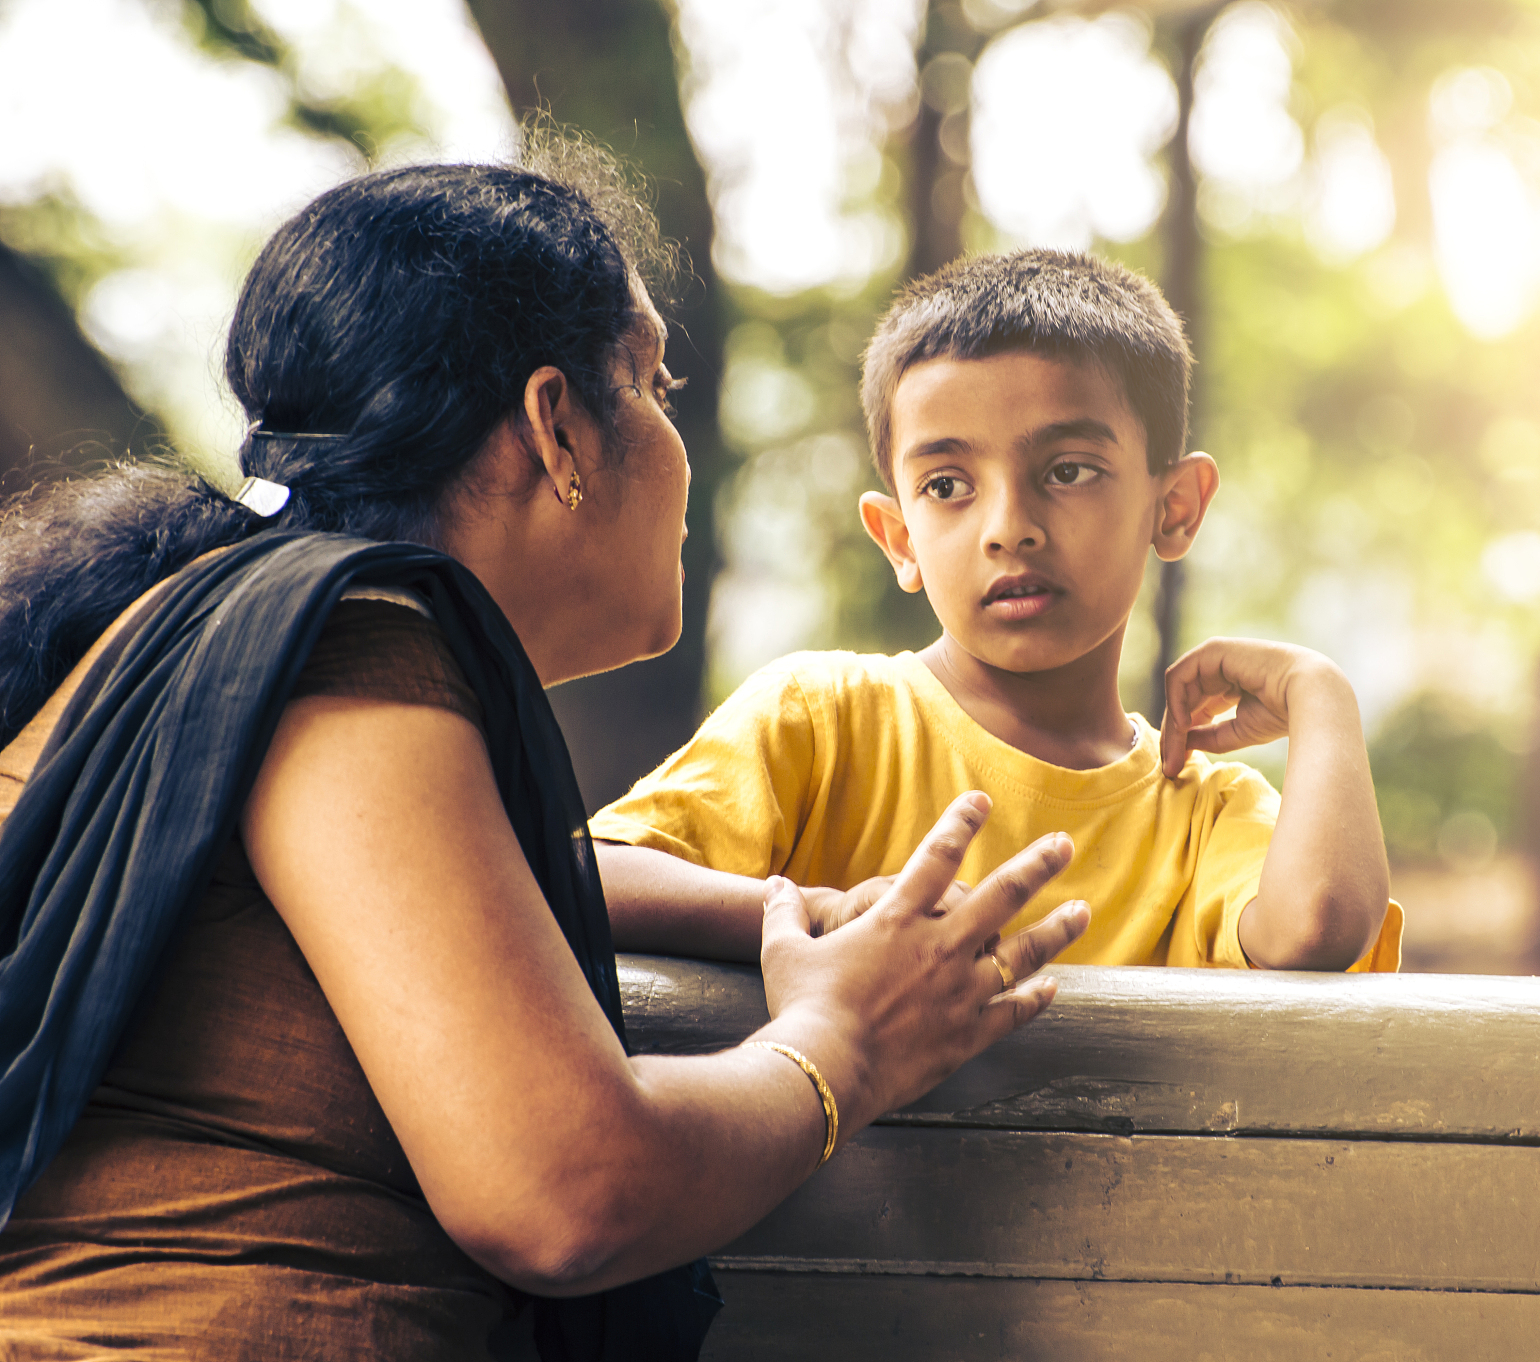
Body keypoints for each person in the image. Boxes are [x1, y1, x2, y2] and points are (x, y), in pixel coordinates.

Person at [0, 136, 1087, 1361]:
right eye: (659, 388)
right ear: (557, 429)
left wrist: (789, 910)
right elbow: (566, 1191)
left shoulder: (194, 631)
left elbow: (444, 890)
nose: (684, 446)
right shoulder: (352, 650)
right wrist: (841, 1048)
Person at [590, 250, 1402, 974]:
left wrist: (1319, 691)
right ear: (900, 538)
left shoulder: (1201, 811)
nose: (1009, 525)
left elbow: (1317, 929)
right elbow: (586, 878)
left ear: (1176, 506)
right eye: (947, 486)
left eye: (1070, 470)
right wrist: (821, 912)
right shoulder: (821, 719)